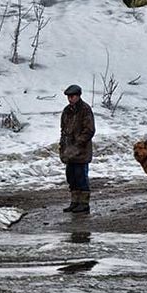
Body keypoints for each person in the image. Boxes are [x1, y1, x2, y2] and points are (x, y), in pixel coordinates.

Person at [60, 84, 95, 214]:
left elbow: (89, 130)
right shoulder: (66, 111)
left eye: (72, 96)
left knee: (81, 177)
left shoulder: (85, 110)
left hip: (81, 151)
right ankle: (74, 202)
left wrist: (78, 143)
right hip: (69, 151)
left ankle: (84, 203)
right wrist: (63, 148)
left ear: (78, 96)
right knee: (71, 177)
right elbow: (63, 131)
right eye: (69, 97)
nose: (70, 99)